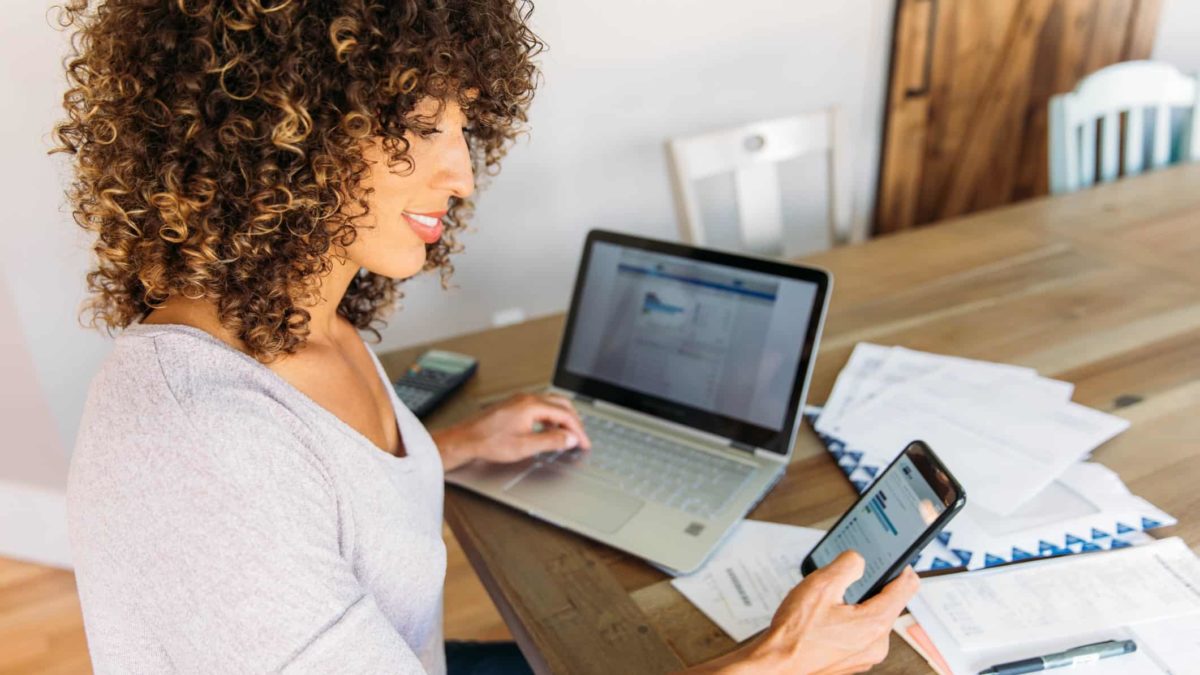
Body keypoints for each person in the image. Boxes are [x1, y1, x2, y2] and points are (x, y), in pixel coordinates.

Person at [55, 1, 919, 673]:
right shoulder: (201, 449)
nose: (463, 175)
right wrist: (778, 659)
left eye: (463, 127)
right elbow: (259, 499)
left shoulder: (301, 322)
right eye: (421, 126)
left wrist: (450, 448)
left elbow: (319, 500)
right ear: (281, 126)